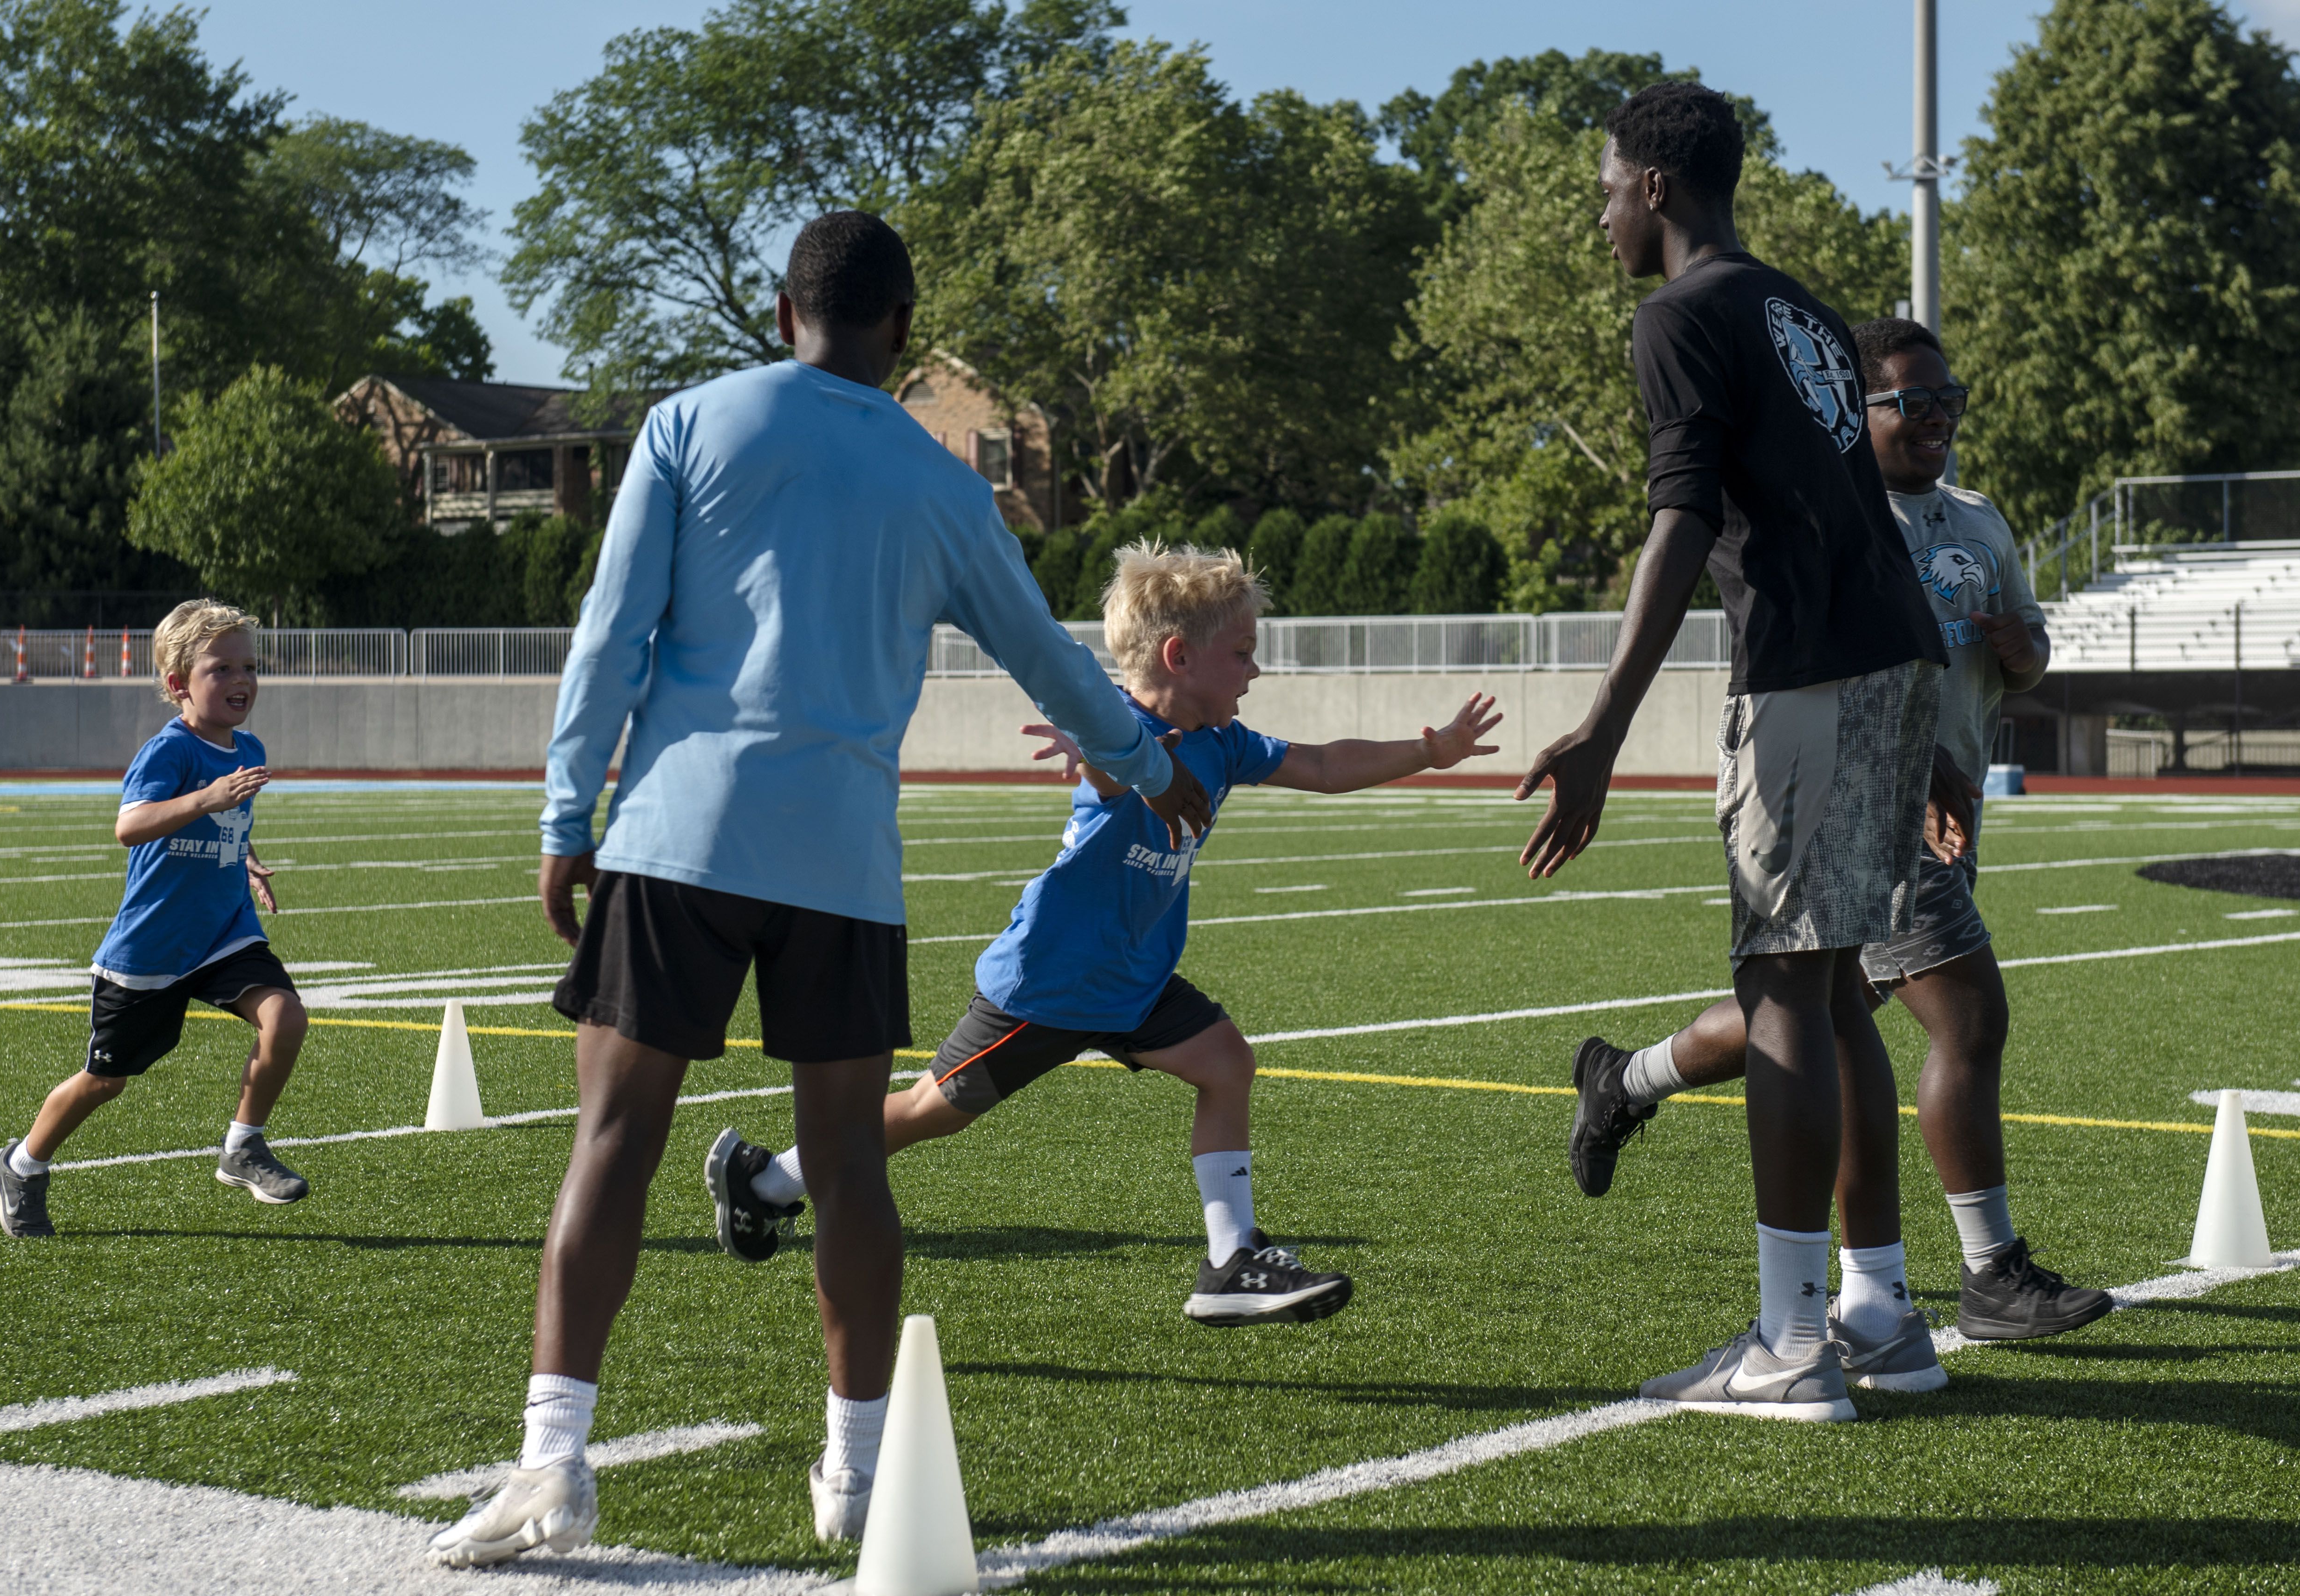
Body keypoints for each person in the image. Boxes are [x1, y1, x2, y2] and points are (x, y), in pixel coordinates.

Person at [427, 212, 1213, 1568]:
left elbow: (610, 633)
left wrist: (566, 810)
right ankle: (857, 1475)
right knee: (849, 1161)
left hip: (676, 840)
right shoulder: (946, 487)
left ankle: (553, 1464)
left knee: (612, 1142)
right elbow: (1051, 662)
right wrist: (1151, 762)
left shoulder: (688, 422)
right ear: (903, 333)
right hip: (843, 866)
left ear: (780, 308)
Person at [709, 541, 1501, 1336]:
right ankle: (770, 1183)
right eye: (1244, 652)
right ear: (1179, 656)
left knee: (1226, 1063)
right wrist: (1090, 753)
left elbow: (1325, 764)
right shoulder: (1119, 730)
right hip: (1053, 981)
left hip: (1134, 980)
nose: (1255, 671)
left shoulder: (1223, 743)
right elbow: (1108, 770)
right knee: (930, 1110)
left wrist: (1429, 752)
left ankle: (1231, 1259)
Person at [1514, 83, 1961, 1422]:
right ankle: (1876, 1307)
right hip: (1887, 659)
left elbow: (1679, 516)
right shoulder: (1800, 307)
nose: (1598, 209)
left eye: (1604, 185)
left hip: (1807, 673)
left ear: (1652, 186)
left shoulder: (1677, 313)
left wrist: (1598, 726)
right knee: (1833, 991)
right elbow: (1860, 507)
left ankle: (1784, 1339)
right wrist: (1933, 709)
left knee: (1781, 982)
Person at [1568, 316, 2111, 1345]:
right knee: (1966, 1017)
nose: (1937, 416)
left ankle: (1624, 1079)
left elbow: (2022, 661)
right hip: (1874, 799)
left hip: (1941, 798)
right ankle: (1983, 1274)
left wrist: (2024, 647)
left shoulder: (1976, 520)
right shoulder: (1837, 522)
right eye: (1912, 400)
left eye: (1949, 397)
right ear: (1852, 413)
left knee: (1822, 1014)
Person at [0, 599, 308, 1239]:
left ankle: (244, 1144)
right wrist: (209, 796)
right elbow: (130, 825)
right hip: (154, 945)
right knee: (106, 1082)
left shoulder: (249, 746)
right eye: (221, 668)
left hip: (223, 931)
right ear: (178, 684)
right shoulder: (169, 751)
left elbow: (227, 822)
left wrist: (245, 860)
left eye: (250, 665)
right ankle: (22, 1164)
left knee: (287, 1015)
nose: (241, 679)